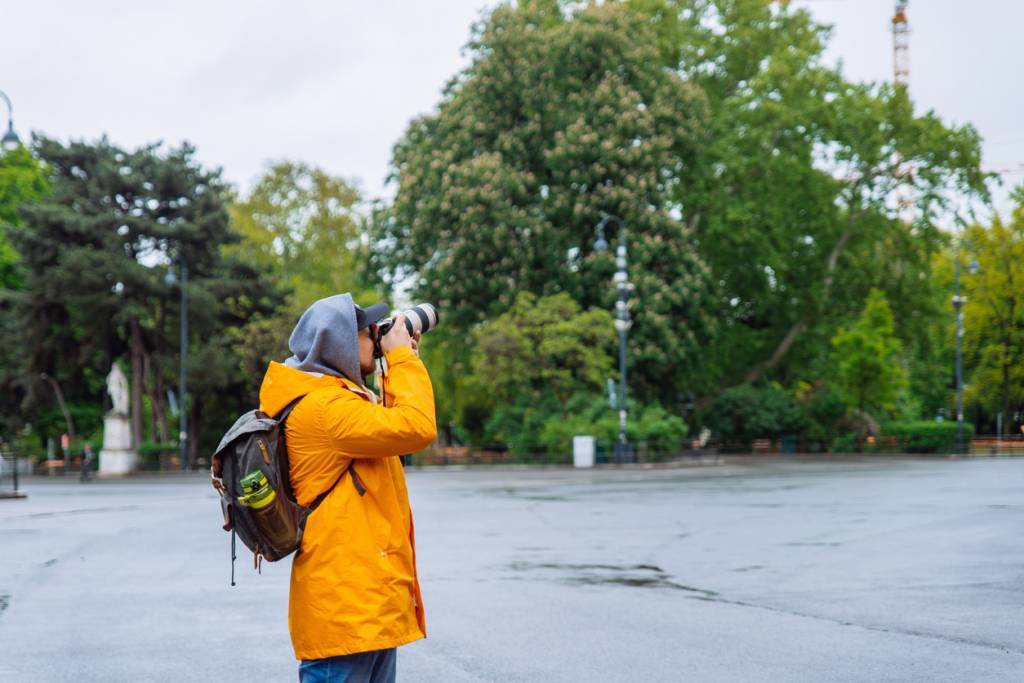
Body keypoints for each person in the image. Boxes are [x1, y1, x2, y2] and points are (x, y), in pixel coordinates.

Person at [258, 293, 436, 683]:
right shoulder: (325, 409)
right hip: (346, 614)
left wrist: (398, 360)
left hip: (364, 607)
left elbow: (390, 430)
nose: (377, 334)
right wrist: (402, 357)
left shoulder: (337, 401)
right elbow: (416, 427)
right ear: (338, 342)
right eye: (368, 330)